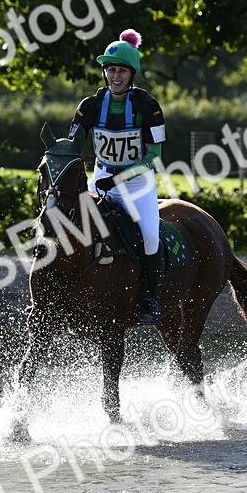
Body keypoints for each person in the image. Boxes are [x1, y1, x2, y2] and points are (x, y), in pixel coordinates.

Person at [68, 28, 166, 325]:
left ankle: (150, 299)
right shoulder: (89, 106)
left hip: (137, 183)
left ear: (131, 74)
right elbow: (73, 146)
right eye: (110, 70)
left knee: (150, 235)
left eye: (121, 70)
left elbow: (154, 156)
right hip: (100, 178)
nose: (115, 76)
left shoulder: (148, 107)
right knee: (69, 226)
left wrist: (121, 178)